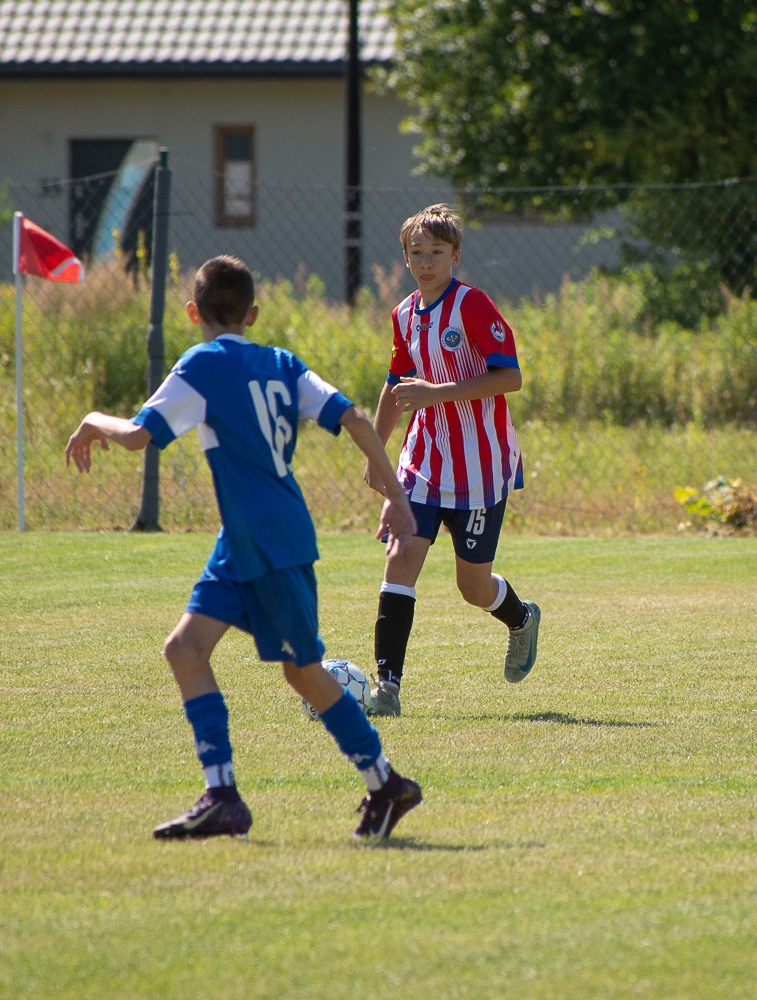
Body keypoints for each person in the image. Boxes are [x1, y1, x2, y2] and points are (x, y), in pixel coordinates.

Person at [65, 254, 423, 841]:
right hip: (245, 540)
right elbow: (357, 419)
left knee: (303, 673)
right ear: (252, 314)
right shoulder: (281, 363)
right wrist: (397, 497)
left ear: (193, 312)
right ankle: (222, 795)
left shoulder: (201, 364)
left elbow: (137, 436)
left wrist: (90, 418)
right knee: (185, 650)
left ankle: (386, 783)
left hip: (271, 541)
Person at [361, 203, 540, 717]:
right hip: (423, 463)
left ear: (455, 256)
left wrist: (438, 392)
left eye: (436, 253)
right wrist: (377, 453)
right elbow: (397, 385)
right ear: (405, 257)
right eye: (416, 252)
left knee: (473, 587)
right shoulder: (403, 314)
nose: (426, 262)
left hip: (481, 469)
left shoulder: (473, 306)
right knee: (400, 561)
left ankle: (522, 619)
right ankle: (387, 688)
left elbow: (510, 378)